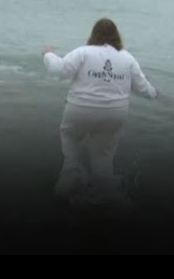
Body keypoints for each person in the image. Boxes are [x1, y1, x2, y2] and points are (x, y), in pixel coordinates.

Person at [42, 18, 158, 205]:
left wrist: (48, 54)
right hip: (114, 114)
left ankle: (67, 188)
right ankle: (106, 197)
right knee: (103, 157)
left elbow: (59, 69)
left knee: (71, 140)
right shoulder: (127, 57)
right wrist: (154, 94)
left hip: (80, 110)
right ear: (117, 36)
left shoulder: (83, 52)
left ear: (93, 35)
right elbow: (141, 86)